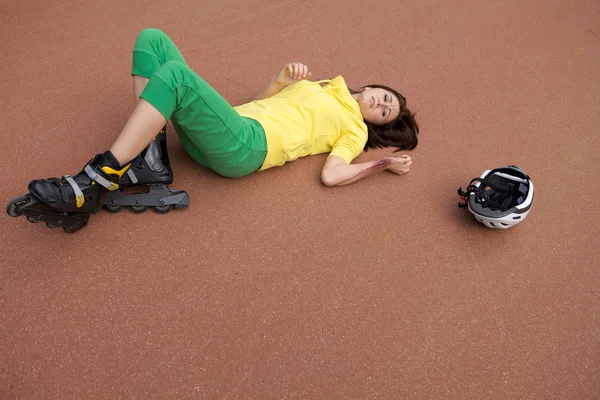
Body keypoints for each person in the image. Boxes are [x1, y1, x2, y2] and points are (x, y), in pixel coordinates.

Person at [7, 28, 419, 232]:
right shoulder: (322, 85)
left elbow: (332, 174)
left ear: (374, 123)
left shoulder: (354, 131)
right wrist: (278, 81)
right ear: (372, 87)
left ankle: (94, 181)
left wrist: (381, 163)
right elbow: (260, 101)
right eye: (385, 97)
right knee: (153, 40)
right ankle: (149, 158)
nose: (381, 105)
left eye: (385, 113)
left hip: (246, 148)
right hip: (233, 126)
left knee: (176, 75)